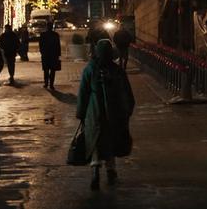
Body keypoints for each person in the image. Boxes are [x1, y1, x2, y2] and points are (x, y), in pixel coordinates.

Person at [76, 39, 136, 191]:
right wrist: (127, 111)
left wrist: (81, 113)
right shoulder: (117, 71)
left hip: (94, 111)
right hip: (113, 112)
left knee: (95, 140)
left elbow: (83, 93)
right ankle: (111, 171)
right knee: (110, 140)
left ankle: (95, 170)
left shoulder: (90, 69)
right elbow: (127, 93)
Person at [39, 21, 62, 89]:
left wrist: (42, 52)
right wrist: (58, 54)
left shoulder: (43, 35)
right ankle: (51, 84)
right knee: (52, 70)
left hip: (46, 55)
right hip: (53, 55)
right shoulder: (55, 35)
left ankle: (46, 83)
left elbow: (41, 45)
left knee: (46, 70)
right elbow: (58, 45)